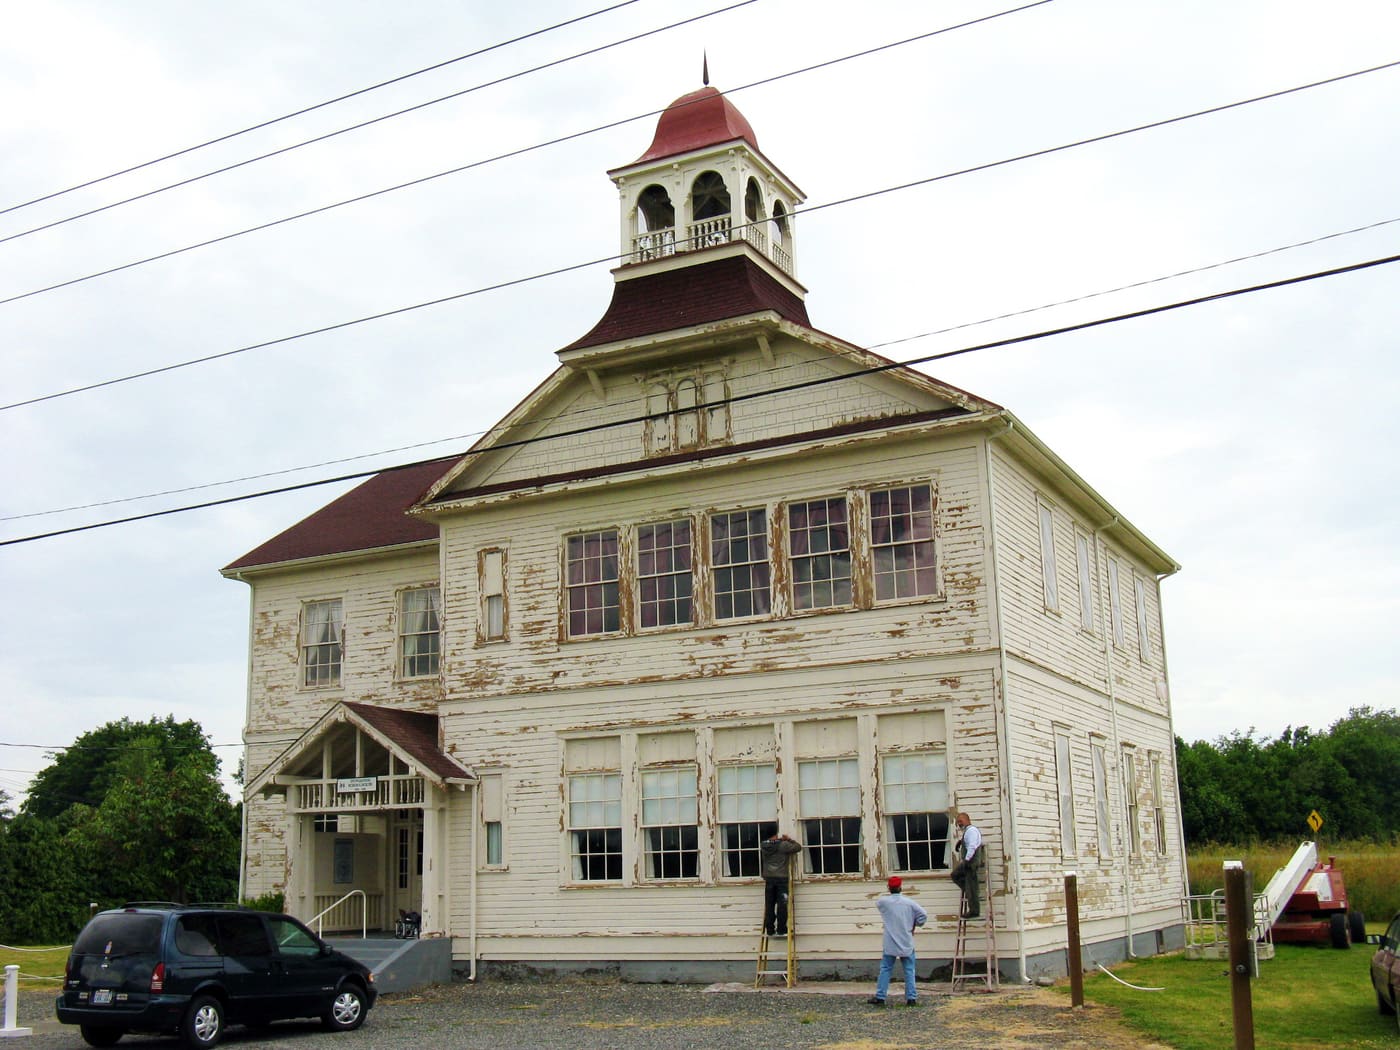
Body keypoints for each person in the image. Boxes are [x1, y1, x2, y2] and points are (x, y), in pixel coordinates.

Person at [868, 875, 927, 1006]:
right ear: (901, 887)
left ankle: (880, 996)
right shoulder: (909, 903)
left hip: (890, 941)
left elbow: (878, 904)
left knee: (885, 968)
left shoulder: (883, 902)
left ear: (889, 888)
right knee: (909, 969)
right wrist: (915, 924)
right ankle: (911, 998)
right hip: (906, 940)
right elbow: (923, 915)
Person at [760, 831, 802, 935]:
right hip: (782, 879)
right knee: (782, 905)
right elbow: (798, 847)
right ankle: (781, 929)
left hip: (769, 878)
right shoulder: (783, 845)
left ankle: (769, 929)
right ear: (774, 835)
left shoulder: (763, 845)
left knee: (769, 904)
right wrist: (788, 839)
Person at [950, 812, 983, 918]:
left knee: (956, 875)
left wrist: (967, 860)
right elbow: (969, 842)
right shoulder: (968, 831)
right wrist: (961, 841)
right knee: (964, 881)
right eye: (958, 822)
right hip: (970, 861)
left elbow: (972, 846)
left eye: (961, 821)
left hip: (971, 862)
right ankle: (970, 891)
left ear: (967, 820)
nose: (959, 823)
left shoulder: (971, 831)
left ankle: (974, 910)